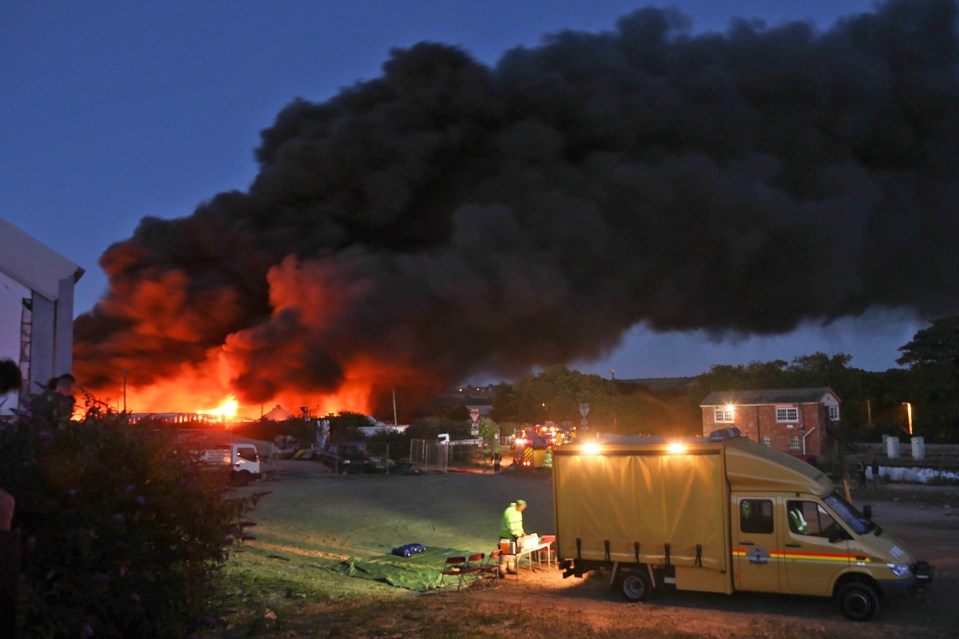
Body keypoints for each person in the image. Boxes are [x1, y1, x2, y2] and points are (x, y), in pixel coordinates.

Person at [498, 499, 527, 575]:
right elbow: (510, 525)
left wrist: (522, 532)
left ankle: (510, 568)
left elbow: (519, 524)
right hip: (506, 536)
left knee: (512, 553)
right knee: (505, 553)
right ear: (519, 506)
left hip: (514, 536)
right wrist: (516, 535)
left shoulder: (518, 512)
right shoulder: (509, 512)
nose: (523, 509)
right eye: (522, 507)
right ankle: (502, 570)